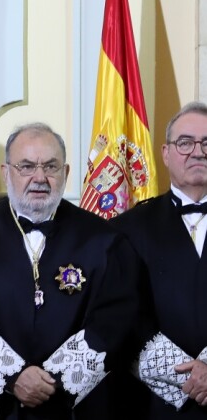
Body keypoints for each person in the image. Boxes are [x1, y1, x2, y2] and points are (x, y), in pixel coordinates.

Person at [0, 122, 140, 420]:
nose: (39, 178)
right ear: (6, 173)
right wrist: (13, 376)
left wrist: (53, 380)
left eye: (51, 167)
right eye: (26, 166)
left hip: (74, 407)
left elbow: (113, 318)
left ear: (66, 173)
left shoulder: (105, 241)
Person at [112, 101, 207, 418]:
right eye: (185, 142)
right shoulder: (127, 228)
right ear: (165, 153)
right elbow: (121, 309)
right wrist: (187, 376)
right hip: (154, 403)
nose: (198, 152)